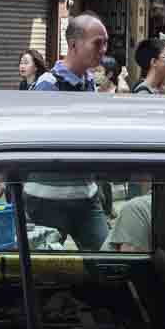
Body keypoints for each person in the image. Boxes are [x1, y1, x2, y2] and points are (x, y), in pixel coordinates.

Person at [26, 13, 112, 249]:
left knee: (108, 264)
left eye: (105, 42)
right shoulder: (48, 85)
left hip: (86, 196)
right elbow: (33, 138)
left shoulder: (90, 82)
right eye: (98, 43)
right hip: (47, 199)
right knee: (46, 272)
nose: (103, 49)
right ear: (73, 45)